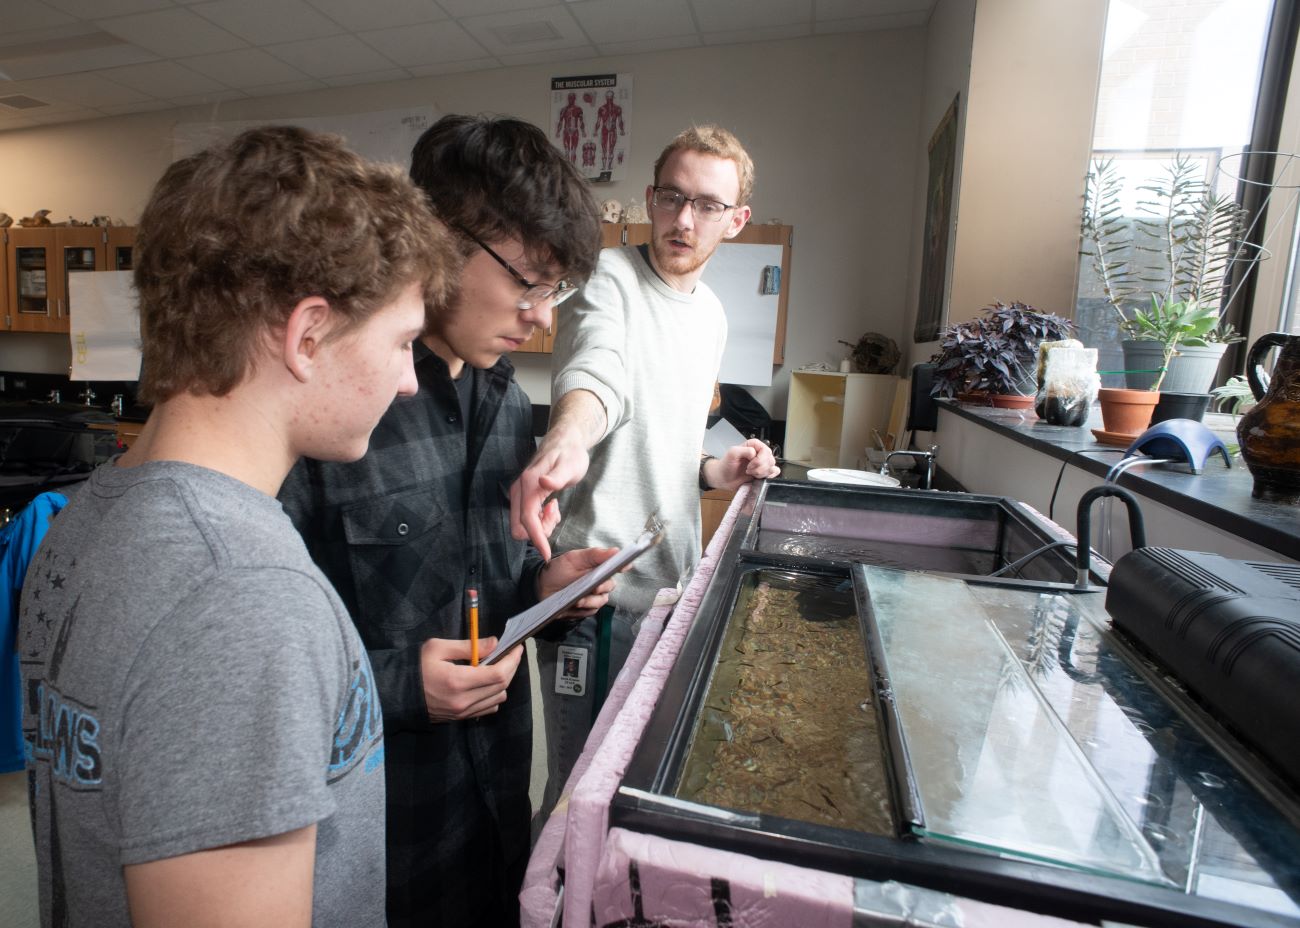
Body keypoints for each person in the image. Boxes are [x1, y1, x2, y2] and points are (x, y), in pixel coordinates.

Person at [18, 125, 453, 928]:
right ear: (307, 334)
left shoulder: (93, 513)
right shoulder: (242, 597)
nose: (407, 384)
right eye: (401, 343)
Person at [278, 114, 613, 928]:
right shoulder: (336, 410)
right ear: (438, 236)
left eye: (554, 291)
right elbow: (264, 654)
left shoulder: (506, 404)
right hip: (381, 818)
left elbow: (482, 587)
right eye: (528, 281)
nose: (540, 315)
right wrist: (397, 686)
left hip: (494, 794)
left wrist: (547, 590)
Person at [509, 125, 780, 817]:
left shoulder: (712, 316)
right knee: (577, 801)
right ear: (651, 199)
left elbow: (667, 443)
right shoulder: (607, 279)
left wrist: (718, 470)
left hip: (673, 595)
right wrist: (569, 434)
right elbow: (597, 376)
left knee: (639, 799)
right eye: (672, 197)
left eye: (708, 205)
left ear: (737, 220)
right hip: (597, 597)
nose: (684, 220)